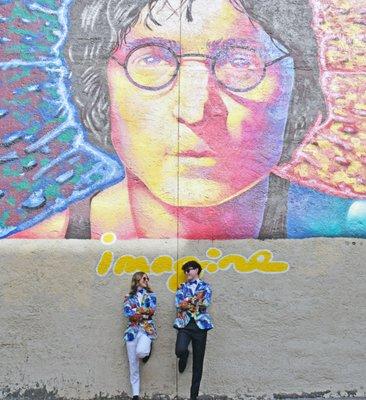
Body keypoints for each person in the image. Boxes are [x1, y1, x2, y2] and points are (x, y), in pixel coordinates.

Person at [11, 0, 365, 239]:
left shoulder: (349, 227)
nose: (195, 110)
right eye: (151, 60)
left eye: (240, 62)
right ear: (98, 88)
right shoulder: (28, 248)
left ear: (299, 90)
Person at [174, 260, 213, 400]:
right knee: (179, 349)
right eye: (185, 270)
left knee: (198, 362)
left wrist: (188, 301)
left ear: (197, 270)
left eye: (188, 269)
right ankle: (184, 355)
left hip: (200, 327)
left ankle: (193, 396)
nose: (186, 272)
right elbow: (179, 304)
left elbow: (205, 303)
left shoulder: (206, 286)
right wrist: (195, 299)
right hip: (184, 325)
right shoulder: (182, 286)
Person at [123, 271, 157, 400]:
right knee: (133, 364)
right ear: (137, 279)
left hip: (146, 330)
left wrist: (137, 311)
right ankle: (135, 394)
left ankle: (147, 349)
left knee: (141, 352)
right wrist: (142, 312)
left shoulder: (151, 295)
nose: (147, 280)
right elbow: (127, 313)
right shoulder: (128, 297)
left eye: (148, 278)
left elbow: (152, 311)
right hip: (132, 331)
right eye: (144, 278)